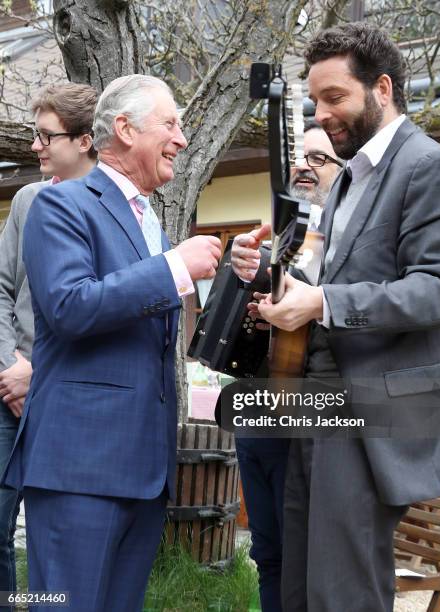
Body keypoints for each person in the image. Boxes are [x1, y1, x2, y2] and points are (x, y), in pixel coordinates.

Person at [232, 23, 440, 612]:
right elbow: (331, 286)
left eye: (335, 97)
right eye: (315, 100)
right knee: (300, 587)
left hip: (375, 417)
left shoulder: (429, 166)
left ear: (382, 88)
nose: (322, 112)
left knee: (341, 595)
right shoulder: (345, 182)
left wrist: (323, 303)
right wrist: (282, 291)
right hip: (316, 406)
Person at [2, 74, 221, 612]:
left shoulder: (150, 222)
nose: (182, 138)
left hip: (144, 472)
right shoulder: (59, 205)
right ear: (123, 128)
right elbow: (71, 306)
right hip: (82, 468)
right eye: (170, 124)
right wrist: (174, 267)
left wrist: (235, 281)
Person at [232, 120, 341, 612]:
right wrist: (246, 273)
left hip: (310, 423)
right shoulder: (284, 235)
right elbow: (257, 321)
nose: (304, 168)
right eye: (300, 159)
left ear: (346, 172)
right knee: (267, 554)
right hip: (260, 416)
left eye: (319, 159)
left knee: (305, 557)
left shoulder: (342, 239)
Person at [0, 82, 97, 606]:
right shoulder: (28, 200)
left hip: (60, 397)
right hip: (6, 389)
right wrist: (7, 366)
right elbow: (0, 289)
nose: (35, 146)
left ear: (83, 140)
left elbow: (95, 308)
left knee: (48, 534)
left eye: (44, 136)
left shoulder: (112, 208)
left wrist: (36, 375)